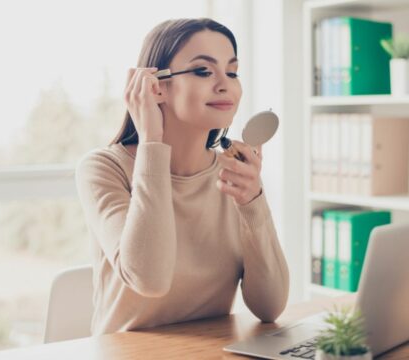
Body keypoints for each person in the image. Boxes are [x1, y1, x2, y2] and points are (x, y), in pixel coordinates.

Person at [75, 17, 289, 336]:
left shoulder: (234, 173)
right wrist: (151, 140)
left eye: (232, 71)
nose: (224, 84)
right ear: (156, 86)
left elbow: (269, 307)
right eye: (203, 71)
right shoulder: (104, 168)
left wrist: (253, 202)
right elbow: (150, 279)